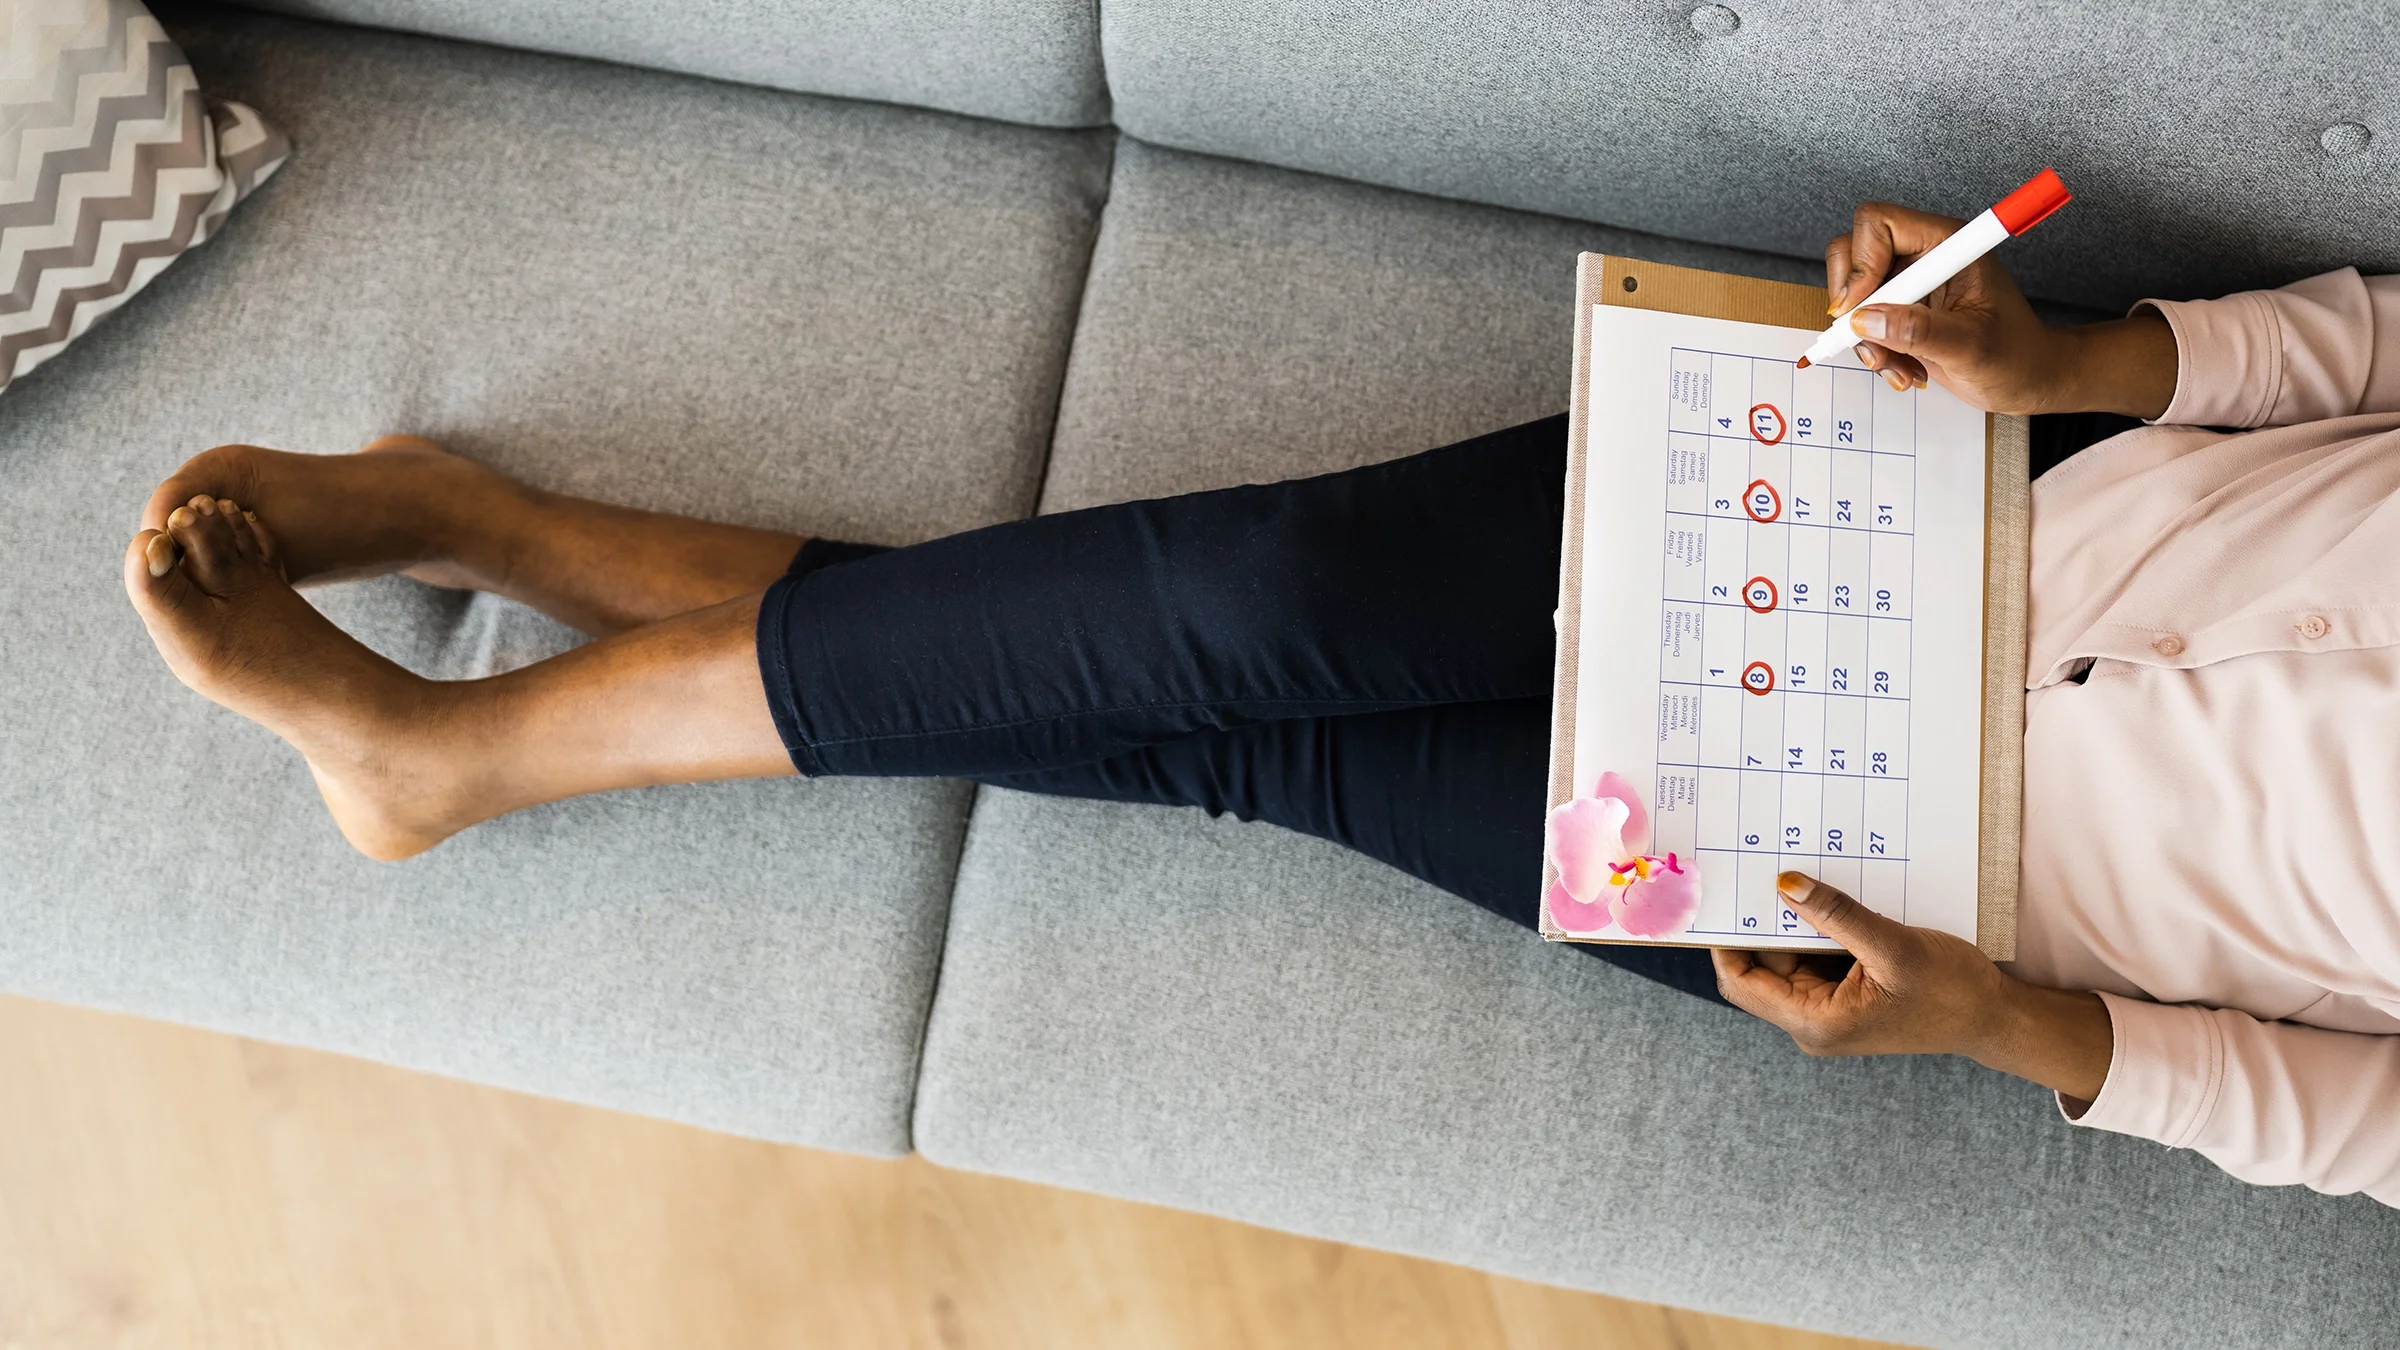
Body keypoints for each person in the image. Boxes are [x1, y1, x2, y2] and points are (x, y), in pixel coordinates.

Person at [122, 203, 2400, 1206]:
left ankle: (501, 608)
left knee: (1249, 736)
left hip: (1932, 892)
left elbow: (2354, 1134)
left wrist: (1992, 1030)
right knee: (1263, 591)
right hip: (1973, 505)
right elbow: (2381, 343)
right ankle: (474, 695)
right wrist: (2082, 357)